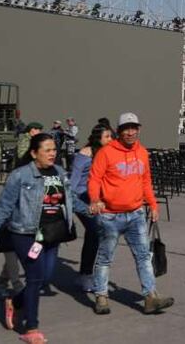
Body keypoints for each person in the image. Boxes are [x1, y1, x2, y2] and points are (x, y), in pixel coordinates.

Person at [0, 133, 73, 344]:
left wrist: (92, 209)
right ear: (34, 153)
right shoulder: (20, 176)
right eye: (47, 150)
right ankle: (31, 328)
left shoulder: (59, 172)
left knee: (45, 277)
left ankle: (15, 301)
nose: (52, 154)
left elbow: (71, 198)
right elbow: (3, 208)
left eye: (54, 150)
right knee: (34, 276)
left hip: (51, 232)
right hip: (24, 233)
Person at [88, 113, 173, 316]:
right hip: (110, 215)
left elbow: (146, 181)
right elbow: (94, 179)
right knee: (105, 257)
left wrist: (153, 205)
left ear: (139, 129)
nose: (130, 132)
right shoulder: (106, 152)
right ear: (119, 131)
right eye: (126, 128)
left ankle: (150, 297)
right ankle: (101, 296)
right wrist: (94, 199)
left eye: (134, 127)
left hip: (135, 214)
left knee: (144, 256)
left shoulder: (142, 153)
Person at [69, 123, 113, 293]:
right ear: (98, 138)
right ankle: (86, 275)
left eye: (111, 136)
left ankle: (88, 274)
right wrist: (71, 202)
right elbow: (73, 181)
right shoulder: (85, 154)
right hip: (81, 197)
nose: (110, 140)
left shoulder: (106, 153)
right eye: (107, 137)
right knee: (95, 232)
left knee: (94, 235)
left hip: (96, 197)